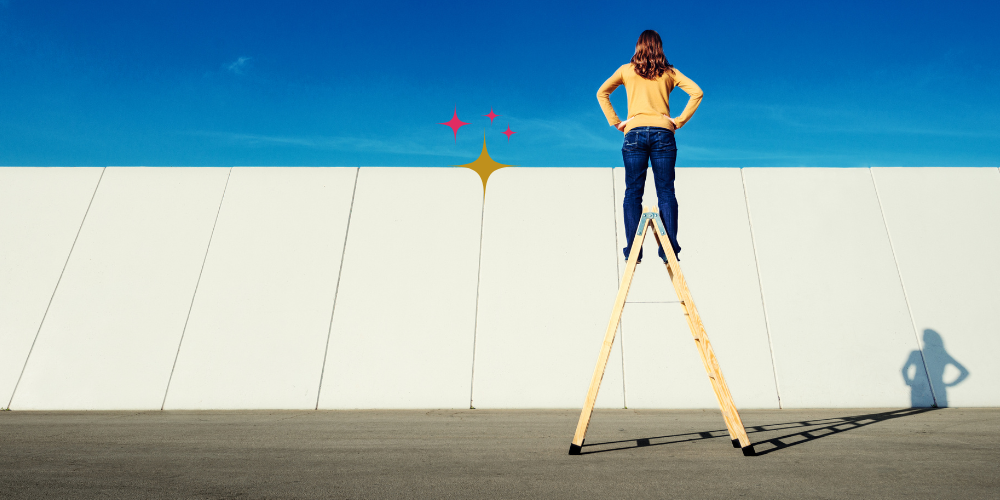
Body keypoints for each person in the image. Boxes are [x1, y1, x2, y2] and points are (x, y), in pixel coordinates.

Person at [597, 30, 703, 263]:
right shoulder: (670, 72)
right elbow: (697, 92)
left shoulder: (626, 70)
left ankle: (634, 250)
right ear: (660, 48)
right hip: (664, 133)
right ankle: (669, 249)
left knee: (633, 193)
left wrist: (616, 122)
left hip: (633, 133)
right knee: (666, 191)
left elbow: (602, 92)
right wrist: (678, 121)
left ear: (638, 47)